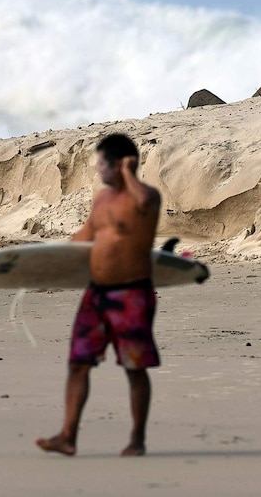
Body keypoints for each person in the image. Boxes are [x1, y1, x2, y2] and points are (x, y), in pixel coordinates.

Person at [36, 133, 162, 457]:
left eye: (102, 164)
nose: (97, 170)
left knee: (134, 368)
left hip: (132, 294)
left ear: (120, 164)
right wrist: (47, 261)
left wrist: (130, 174)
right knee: (78, 364)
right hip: (96, 295)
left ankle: (137, 439)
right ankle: (67, 436)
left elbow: (145, 202)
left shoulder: (145, 197)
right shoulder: (103, 200)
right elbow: (86, 235)